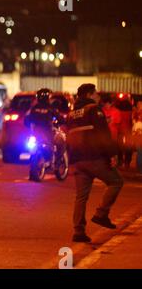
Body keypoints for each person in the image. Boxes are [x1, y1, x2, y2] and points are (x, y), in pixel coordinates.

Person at [66, 83, 123, 243]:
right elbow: (103, 134)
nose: (98, 97)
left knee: (81, 197)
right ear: (89, 94)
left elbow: (69, 137)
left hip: (77, 160)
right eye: (95, 93)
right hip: (94, 157)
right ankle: (101, 214)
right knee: (116, 182)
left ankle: (78, 232)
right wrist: (112, 154)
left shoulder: (71, 114)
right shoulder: (93, 109)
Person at [132, 100, 142, 174]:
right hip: (137, 135)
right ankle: (139, 167)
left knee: (140, 151)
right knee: (139, 151)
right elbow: (133, 123)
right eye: (138, 104)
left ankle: (139, 167)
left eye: (140, 104)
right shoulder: (134, 112)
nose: (139, 105)